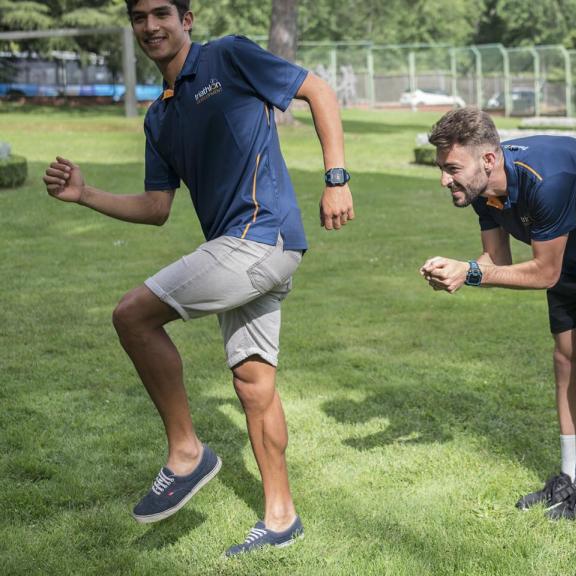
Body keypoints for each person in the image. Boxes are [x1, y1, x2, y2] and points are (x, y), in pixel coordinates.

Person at [42, 0, 354, 556]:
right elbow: (157, 206)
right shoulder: (159, 116)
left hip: (259, 238)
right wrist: (84, 195)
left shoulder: (227, 58)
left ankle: (187, 452)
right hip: (244, 250)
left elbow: (318, 90)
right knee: (254, 386)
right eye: (139, 17)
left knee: (132, 314)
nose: (150, 26)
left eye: (162, 13)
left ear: (187, 20)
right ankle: (281, 518)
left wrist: (336, 178)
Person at [419, 108, 576, 519]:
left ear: (488, 160)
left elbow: (544, 272)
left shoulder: (546, 181)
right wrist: (461, 271)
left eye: (452, 168)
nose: (444, 179)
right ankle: (568, 477)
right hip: (567, 258)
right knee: (566, 360)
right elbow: (496, 258)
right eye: (442, 168)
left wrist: (470, 273)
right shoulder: (484, 190)